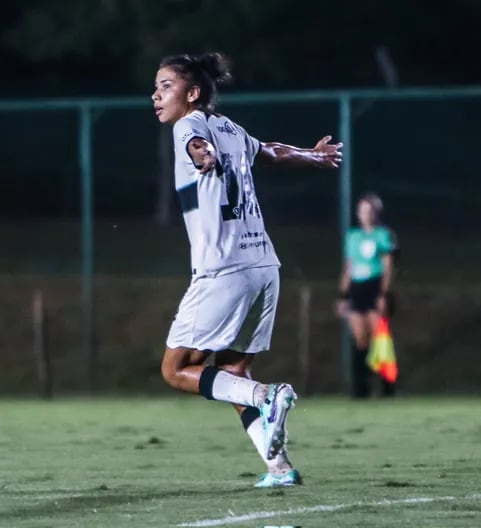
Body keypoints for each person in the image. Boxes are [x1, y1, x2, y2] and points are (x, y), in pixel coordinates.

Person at [151, 52, 342, 488]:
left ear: (193, 93)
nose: (156, 94)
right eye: (156, 87)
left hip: (224, 270)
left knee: (175, 369)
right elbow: (271, 152)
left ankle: (269, 396)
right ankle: (279, 467)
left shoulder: (189, 126)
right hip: (264, 268)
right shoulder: (231, 128)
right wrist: (314, 157)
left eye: (165, 86)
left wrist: (202, 156)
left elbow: (196, 146)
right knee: (232, 374)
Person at [336, 193, 397, 398]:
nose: (365, 215)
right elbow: (348, 267)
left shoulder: (383, 235)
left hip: (374, 287)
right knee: (360, 339)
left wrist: (384, 294)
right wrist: (343, 296)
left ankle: (387, 387)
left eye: (369, 211)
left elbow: (388, 266)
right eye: (362, 211)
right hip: (357, 289)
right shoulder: (353, 236)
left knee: (378, 338)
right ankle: (360, 388)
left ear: (376, 213)